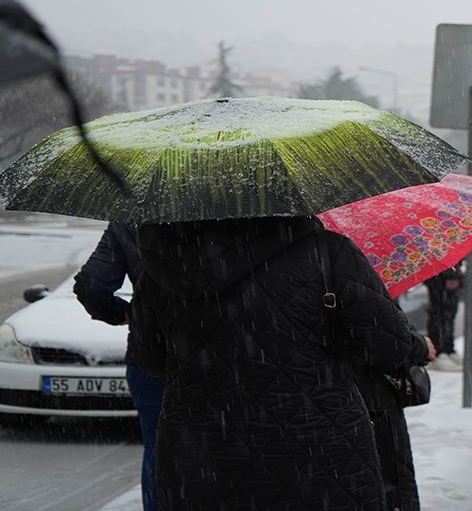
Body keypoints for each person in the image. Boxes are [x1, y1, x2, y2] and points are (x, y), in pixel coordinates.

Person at [129, 215, 434, 511]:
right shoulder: (326, 251)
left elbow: (151, 361)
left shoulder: (163, 267)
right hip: (320, 453)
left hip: (200, 457)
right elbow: (387, 349)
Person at [73, 222, 166, 511]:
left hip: (151, 351)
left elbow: (91, 285)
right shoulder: (227, 209)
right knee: (219, 443)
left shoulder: (131, 218)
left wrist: (129, 314)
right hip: (216, 349)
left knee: (157, 446)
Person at [424, 263, 464, 372]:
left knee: (449, 315)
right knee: (438, 315)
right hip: (438, 275)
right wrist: (450, 276)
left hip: (447, 274)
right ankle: (437, 352)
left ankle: (448, 349)